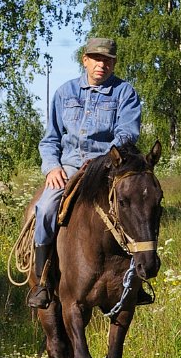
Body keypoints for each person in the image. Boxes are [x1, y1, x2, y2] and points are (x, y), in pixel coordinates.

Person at [28, 37, 150, 308]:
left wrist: (106, 158)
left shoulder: (124, 93)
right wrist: (52, 167)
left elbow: (127, 133)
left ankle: (137, 282)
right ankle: (42, 281)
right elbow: (50, 139)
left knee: (137, 207)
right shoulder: (64, 93)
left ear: (114, 63)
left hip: (108, 166)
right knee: (46, 207)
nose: (101, 65)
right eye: (96, 58)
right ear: (85, 60)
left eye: (107, 60)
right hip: (70, 166)